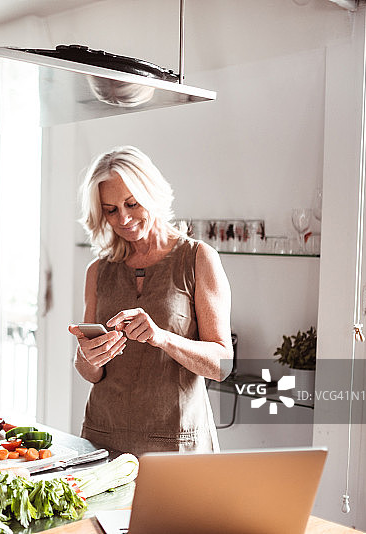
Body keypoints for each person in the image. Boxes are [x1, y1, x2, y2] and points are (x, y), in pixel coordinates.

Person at [68, 146, 233, 456]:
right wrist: (87, 356)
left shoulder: (198, 258)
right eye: (110, 210)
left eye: (132, 203)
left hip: (177, 444)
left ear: (152, 193)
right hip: (104, 439)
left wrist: (162, 338)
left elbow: (222, 365)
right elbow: (92, 373)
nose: (123, 218)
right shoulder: (98, 271)